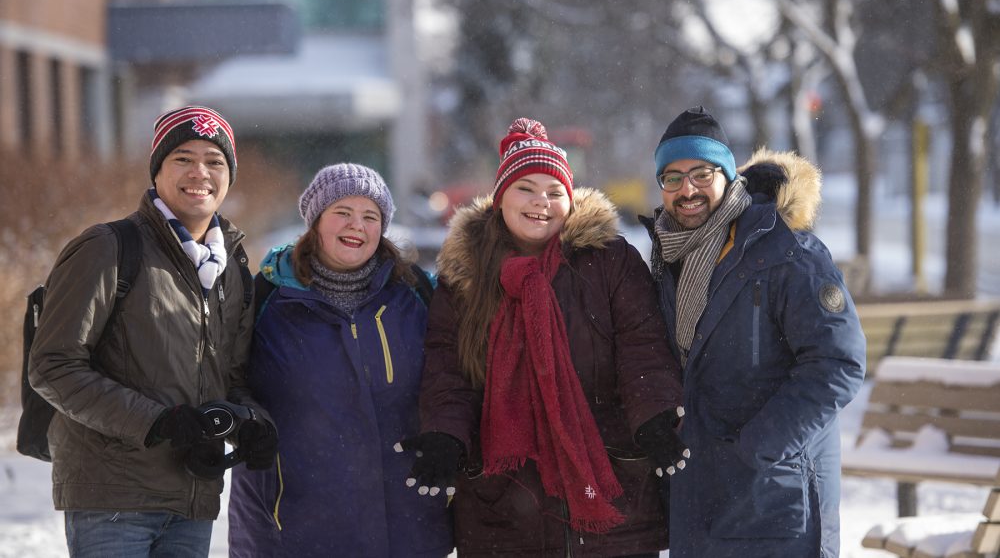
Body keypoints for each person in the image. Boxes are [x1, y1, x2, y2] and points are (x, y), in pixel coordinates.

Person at [404, 118, 688, 557]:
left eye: (555, 192)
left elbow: (642, 348)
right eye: (526, 189)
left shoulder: (607, 261)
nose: (542, 202)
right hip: (507, 505)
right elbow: (449, 370)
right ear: (500, 199)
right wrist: (445, 434)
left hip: (608, 493)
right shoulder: (466, 276)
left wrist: (654, 416)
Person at [28, 105, 278, 558]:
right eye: (182, 158)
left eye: (214, 161)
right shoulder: (108, 247)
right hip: (112, 498)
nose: (199, 172)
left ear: (229, 177)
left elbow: (233, 377)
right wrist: (158, 422)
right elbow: (53, 366)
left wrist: (251, 424)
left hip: (193, 495)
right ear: (157, 170)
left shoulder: (232, 268)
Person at [642, 105, 866, 558]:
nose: (688, 189)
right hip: (700, 498)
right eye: (673, 177)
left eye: (702, 173)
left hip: (776, 500)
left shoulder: (786, 252)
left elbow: (838, 361)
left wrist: (760, 448)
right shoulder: (667, 259)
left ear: (728, 176)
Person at [227, 163, 454, 558]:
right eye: (342, 213)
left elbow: (454, 376)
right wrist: (247, 424)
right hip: (292, 525)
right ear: (315, 221)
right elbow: (227, 379)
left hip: (404, 524)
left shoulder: (415, 292)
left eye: (370, 216)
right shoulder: (267, 296)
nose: (357, 226)